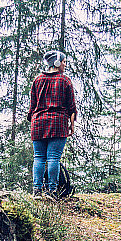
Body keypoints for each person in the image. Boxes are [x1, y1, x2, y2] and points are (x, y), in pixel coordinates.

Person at [27, 50, 77, 197]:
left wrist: (35, 121)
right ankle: (52, 191)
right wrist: (72, 125)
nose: (65, 65)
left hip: (38, 123)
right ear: (56, 62)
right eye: (64, 62)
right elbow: (71, 106)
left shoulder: (37, 80)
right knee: (53, 157)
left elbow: (32, 107)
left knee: (39, 157)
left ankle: (37, 191)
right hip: (58, 123)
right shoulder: (65, 80)